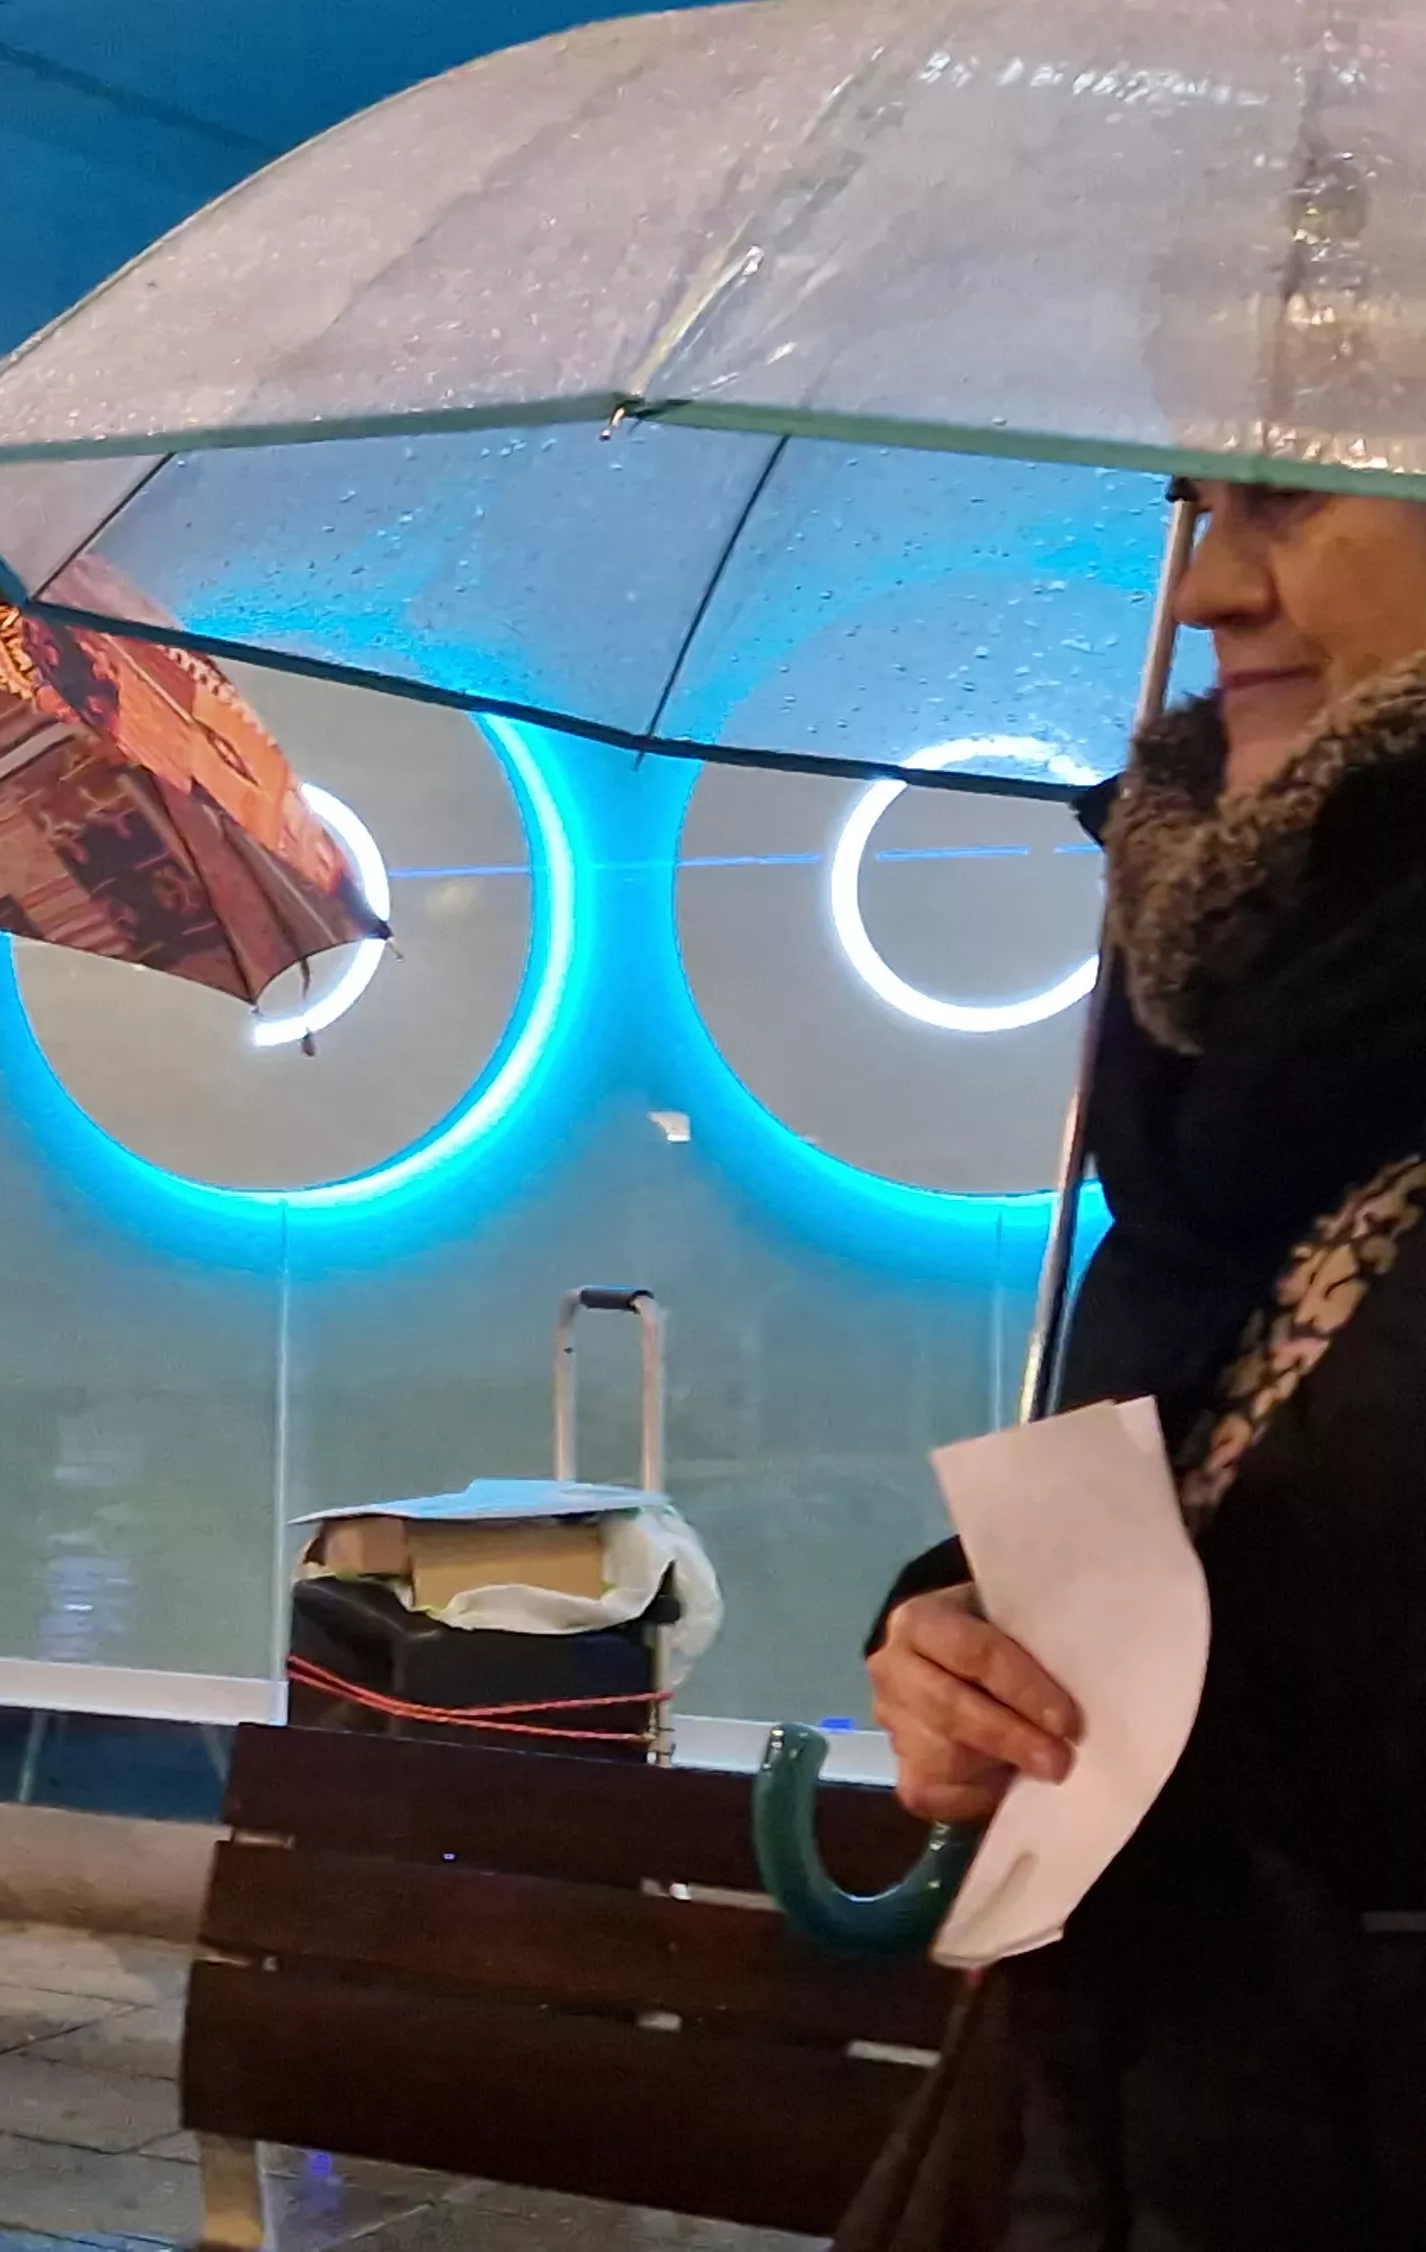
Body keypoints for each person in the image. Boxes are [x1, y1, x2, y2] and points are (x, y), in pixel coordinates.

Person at [855, 480, 1426, 2247]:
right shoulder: (1221, 1101)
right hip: (1114, 2142)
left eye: (1293, 501)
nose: (1203, 590)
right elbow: (1212, 1482)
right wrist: (959, 1633)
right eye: (1206, 502)